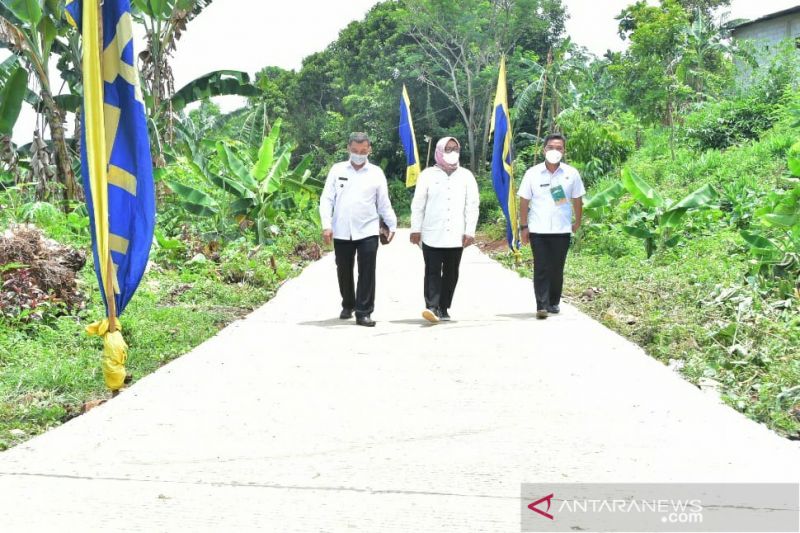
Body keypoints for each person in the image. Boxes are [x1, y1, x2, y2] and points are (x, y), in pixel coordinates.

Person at [319, 132, 397, 327]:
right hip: (342, 230)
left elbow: (383, 202)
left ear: (369, 149)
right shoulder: (337, 170)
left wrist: (392, 224)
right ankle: (348, 303)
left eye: (363, 151)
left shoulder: (376, 173)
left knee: (367, 271)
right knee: (343, 269)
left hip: (368, 229)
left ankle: (364, 312)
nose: (359, 154)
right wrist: (326, 225)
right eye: (355, 151)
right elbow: (327, 199)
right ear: (348, 149)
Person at [410, 137, 479, 323]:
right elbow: (418, 204)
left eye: (455, 148)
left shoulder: (466, 176)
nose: (452, 152)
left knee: (451, 272)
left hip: (457, 234)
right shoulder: (427, 175)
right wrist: (415, 229)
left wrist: (470, 231)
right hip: (432, 233)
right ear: (439, 151)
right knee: (432, 270)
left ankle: (444, 307)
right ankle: (431, 306)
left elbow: (472, 205)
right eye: (447, 149)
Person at [518, 133, 585, 319]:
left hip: (562, 230)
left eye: (559, 148)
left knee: (557, 267)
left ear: (564, 151)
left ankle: (554, 301)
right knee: (541, 266)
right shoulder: (532, 173)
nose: (554, 151)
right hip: (538, 229)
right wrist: (524, 227)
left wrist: (577, 222)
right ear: (544, 150)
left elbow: (578, 199)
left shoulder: (571, 174)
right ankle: (542, 305)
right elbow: (524, 201)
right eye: (551, 147)